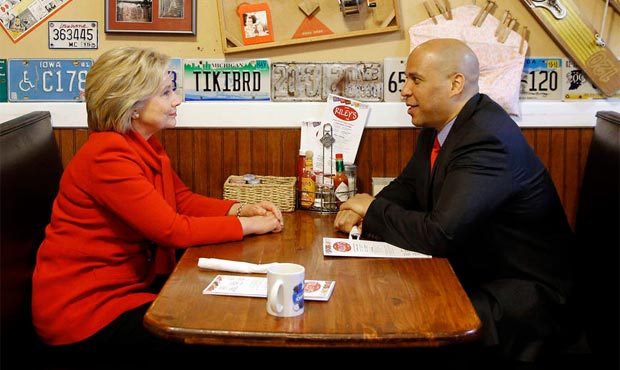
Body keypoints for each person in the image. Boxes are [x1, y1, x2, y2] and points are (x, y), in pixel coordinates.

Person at [334, 38, 579, 367]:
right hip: (477, 271)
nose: (404, 90)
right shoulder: (442, 126)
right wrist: (361, 210)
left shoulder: (485, 138)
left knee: (404, 320)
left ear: (455, 84)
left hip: (525, 301)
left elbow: (440, 234)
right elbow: (408, 185)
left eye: (415, 80)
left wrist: (373, 209)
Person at [32, 47, 284, 356]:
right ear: (132, 105)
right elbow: (172, 230)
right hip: (86, 312)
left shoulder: (140, 146)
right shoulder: (107, 156)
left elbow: (181, 199)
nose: (177, 100)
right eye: (166, 93)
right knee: (222, 327)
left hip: (125, 292)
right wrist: (247, 225)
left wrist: (239, 208)